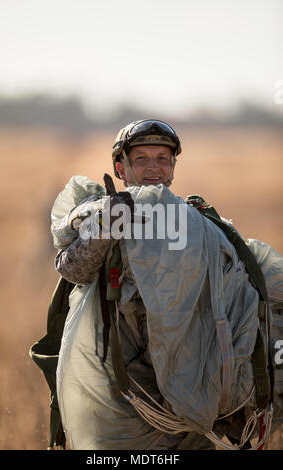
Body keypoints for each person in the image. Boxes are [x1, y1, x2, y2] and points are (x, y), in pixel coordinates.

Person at [50, 119, 283, 450]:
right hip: (122, 395)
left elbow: (239, 292)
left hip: (187, 397)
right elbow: (72, 270)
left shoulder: (195, 224)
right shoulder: (107, 212)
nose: (153, 168)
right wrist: (107, 225)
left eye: (162, 158)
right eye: (142, 158)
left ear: (173, 166)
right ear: (121, 166)